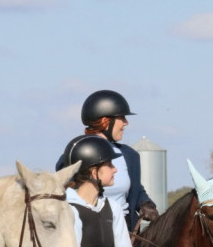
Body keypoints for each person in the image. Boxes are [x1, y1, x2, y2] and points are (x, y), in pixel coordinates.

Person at [58, 90, 158, 232]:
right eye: (121, 118)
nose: (126, 123)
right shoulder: (80, 151)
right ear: (106, 121)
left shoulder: (129, 155)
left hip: (124, 228)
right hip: (88, 227)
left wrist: (145, 202)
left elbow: (135, 189)